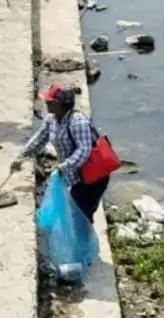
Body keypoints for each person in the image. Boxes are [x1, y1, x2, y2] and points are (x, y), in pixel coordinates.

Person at [11, 84, 110, 223]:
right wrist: (21, 157)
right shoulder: (51, 119)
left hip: (92, 178)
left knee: (81, 215)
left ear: (59, 104)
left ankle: (83, 243)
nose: (46, 103)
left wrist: (62, 167)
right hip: (75, 175)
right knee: (74, 212)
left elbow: (84, 150)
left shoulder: (77, 121)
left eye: (49, 102)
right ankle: (77, 241)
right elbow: (39, 139)